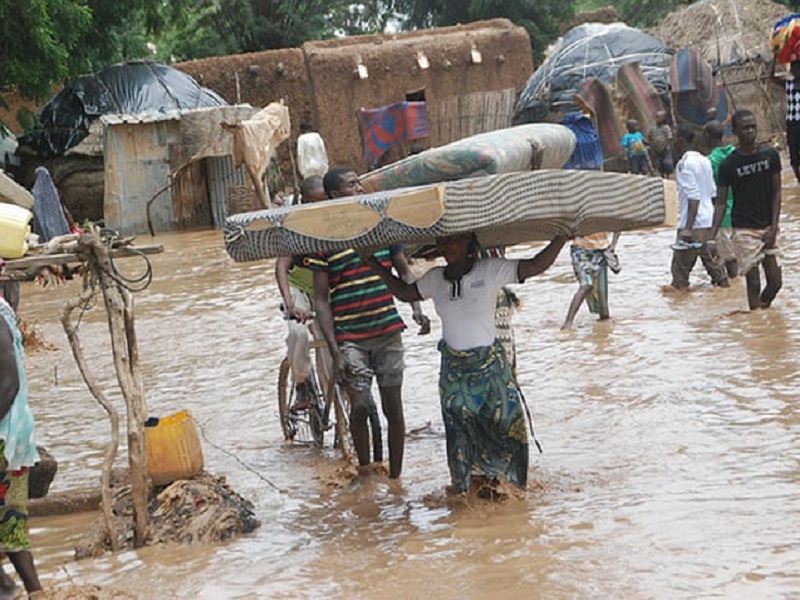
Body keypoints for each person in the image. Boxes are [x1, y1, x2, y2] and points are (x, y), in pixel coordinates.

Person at [363, 232, 567, 496]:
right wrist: (374, 264)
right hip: (455, 373)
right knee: (460, 430)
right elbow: (404, 292)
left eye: (452, 240)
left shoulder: (490, 270)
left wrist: (561, 239)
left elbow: (535, 265)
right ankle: (466, 492)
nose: (445, 246)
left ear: (469, 243)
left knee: (506, 422)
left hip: (491, 368)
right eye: (442, 241)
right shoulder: (436, 279)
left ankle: (508, 490)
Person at [307, 167, 430, 478]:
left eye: (359, 182)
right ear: (335, 195)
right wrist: (335, 351)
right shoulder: (325, 240)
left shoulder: (382, 229)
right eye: (352, 185)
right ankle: (365, 471)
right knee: (359, 406)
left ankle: (395, 479)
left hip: (388, 331)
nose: (359, 188)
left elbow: (404, 273)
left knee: (394, 410)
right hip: (351, 337)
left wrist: (415, 307)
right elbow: (321, 299)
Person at [711, 110, 782, 310]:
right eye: (745, 128)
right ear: (735, 132)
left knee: (776, 282)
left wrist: (774, 227)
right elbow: (721, 203)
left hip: (768, 224)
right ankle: (756, 323)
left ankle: (761, 315)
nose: (750, 131)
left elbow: (777, 192)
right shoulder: (728, 165)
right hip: (744, 228)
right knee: (753, 282)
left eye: (753, 127)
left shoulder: (769, 155)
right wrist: (711, 235)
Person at [0, 296, 42, 596]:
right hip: (12, 431)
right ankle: (27, 590)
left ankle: (21, 589)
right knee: (9, 520)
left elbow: (9, 381)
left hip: (6, 432)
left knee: (10, 520)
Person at [670, 124, 729, 290]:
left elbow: (693, 196)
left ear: (680, 141)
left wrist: (688, 228)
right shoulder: (704, 160)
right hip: (708, 223)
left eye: (673, 141)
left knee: (679, 275)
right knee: (717, 271)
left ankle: (681, 311)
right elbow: (712, 193)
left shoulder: (684, 164)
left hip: (693, 225)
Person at [561, 231, 620, 330]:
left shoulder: (606, 215)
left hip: (602, 251)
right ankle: (568, 323)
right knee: (586, 284)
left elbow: (619, 225)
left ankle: (602, 335)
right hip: (581, 250)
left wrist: (612, 246)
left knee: (604, 311)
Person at [704, 120, 738, 278]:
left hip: (721, 217)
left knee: (728, 260)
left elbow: (709, 192)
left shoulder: (709, 162)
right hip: (741, 214)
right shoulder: (736, 153)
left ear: (707, 136)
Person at [769, 60, 800, 184]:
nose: (796, 71)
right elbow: (771, 77)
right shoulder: (788, 83)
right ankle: (798, 179)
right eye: (794, 68)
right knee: (793, 155)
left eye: (798, 68)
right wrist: (774, 57)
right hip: (792, 123)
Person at [647, 110, 674, 178]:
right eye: (656, 117)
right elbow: (649, 135)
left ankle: (668, 175)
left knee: (666, 162)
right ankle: (662, 175)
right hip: (656, 149)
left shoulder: (666, 127)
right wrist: (651, 143)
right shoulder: (653, 128)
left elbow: (669, 137)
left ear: (663, 119)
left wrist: (665, 145)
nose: (657, 119)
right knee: (659, 163)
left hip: (665, 148)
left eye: (659, 117)